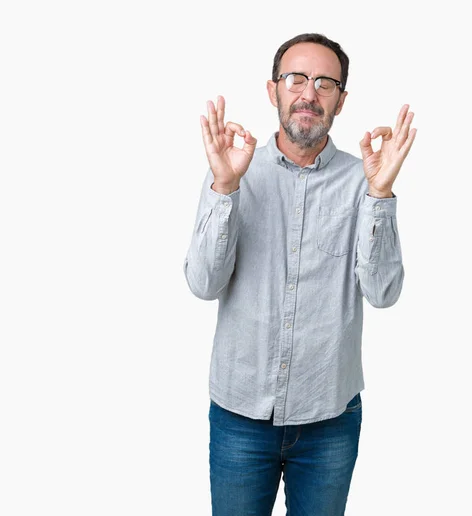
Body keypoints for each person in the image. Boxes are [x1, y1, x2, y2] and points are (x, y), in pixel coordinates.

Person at [183, 32, 417, 516]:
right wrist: (225, 188)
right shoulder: (231, 170)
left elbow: (383, 293)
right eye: (296, 79)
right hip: (239, 416)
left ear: (340, 100)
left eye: (325, 83)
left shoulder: (364, 179)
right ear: (274, 91)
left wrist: (380, 196)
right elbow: (203, 284)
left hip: (329, 417)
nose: (309, 93)